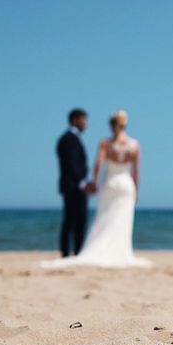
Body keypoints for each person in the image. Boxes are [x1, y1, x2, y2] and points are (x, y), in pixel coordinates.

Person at [41, 110, 151, 269]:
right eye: (84, 120)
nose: (85, 123)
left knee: (104, 217)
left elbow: (98, 165)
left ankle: (84, 250)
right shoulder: (134, 145)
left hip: (110, 184)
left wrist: (94, 182)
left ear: (111, 125)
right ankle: (120, 252)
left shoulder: (106, 143)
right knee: (121, 220)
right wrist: (136, 190)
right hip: (126, 185)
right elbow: (137, 171)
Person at [56, 108, 89, 257]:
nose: (86, 124)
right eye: (83, 120)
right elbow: (72, 163)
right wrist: (81, 182)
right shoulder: (68, 139)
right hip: (73, 186)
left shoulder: (70, 138)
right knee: (75, 220)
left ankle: (72, 251)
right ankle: (73, 251)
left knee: (71, 220)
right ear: (75, 120)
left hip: (72, 185)